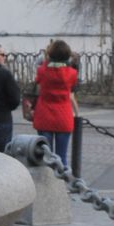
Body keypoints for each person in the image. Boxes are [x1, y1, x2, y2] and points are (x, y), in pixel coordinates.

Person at [31, 38, 79, 168]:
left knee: (45, 156)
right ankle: (62, 183)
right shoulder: (72, 73)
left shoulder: (42, 71)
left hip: (44, 114)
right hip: (63, 116)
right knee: (61, 156)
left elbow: (39, 84)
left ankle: (47, 184)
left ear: (50, 54)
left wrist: (47, 60)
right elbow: (71, 89)